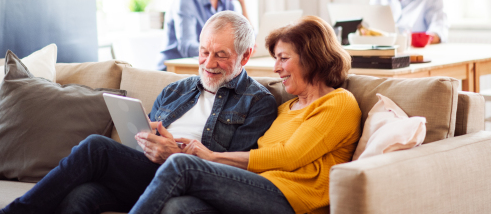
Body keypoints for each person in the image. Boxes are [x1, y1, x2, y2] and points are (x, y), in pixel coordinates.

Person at [0, 11, 277, 214]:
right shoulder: (176, 90)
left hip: (192, 180)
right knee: (81, 196)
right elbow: (144, 135)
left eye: (221, 55)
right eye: (204, 52)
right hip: (145, 173)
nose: (208, 63)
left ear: (246, 55)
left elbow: (233, 171)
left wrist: (175, 153)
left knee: (96, 147)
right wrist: (147, 141)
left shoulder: (258, 102)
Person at [127, 16, 362, 214]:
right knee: (178, 207)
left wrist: (211, 157)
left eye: (283, 58)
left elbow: (290, 157)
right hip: (255, 189)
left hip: (293, 200)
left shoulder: (338, 103)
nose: (276, 68)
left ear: (312, 58)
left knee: (182, 164)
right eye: (275, 59)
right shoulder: (285, 109)